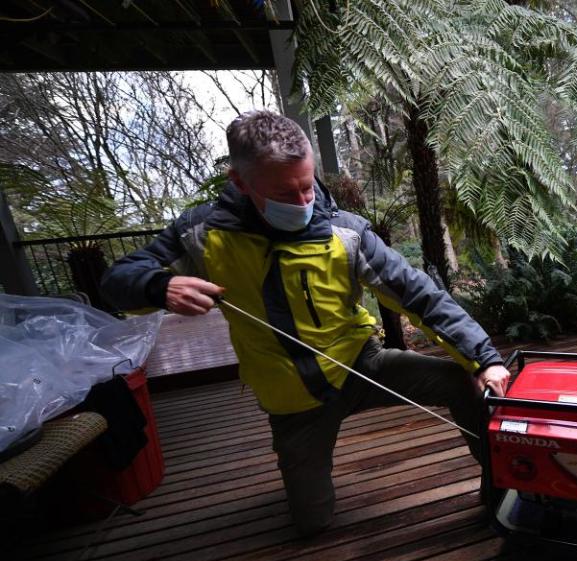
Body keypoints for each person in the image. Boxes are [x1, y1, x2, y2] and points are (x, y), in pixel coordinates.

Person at [101, 110, 510, 536]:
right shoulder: (202, 234)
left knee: (465, 381)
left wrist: (483, 359)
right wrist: (157, 286)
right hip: (291, 398)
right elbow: (115, 282)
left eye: (307, 185)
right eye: (284, 192)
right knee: (313, 523)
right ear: (240, 182)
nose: (302, 201)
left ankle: (502, 490)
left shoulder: (345, 232)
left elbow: (419, 294)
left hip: (360, 365)